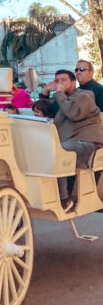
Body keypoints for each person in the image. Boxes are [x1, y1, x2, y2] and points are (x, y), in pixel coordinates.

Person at [44, 68, 103, 212]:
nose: (60, 84)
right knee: (45, 152)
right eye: (57, 81)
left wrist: (58, 93)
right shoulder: (62, 98)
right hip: (67, 141)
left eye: (63, 80)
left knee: (60, 151)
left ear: (73, 82)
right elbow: (44, 110)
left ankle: (65, 199)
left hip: (86, 141)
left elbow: (73, 113)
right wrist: (45, 92)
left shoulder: (85, 95)